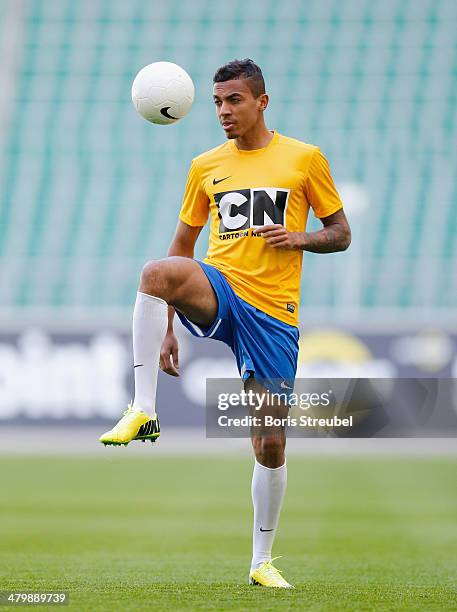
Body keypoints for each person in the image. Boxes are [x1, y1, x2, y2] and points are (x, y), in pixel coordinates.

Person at [100, 58, 351, 588]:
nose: (223, 111)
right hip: (222, 287)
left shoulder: (304, 159)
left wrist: (297, 238)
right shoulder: (204, 166)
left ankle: (261, 560)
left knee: (271, 442)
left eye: (233, 100)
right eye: (216, 102)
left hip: (274, 314)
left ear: (261, 102)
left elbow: (341, 232)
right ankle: (142, 408)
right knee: (155, 271)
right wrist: (167, 325)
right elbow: (181, 250)